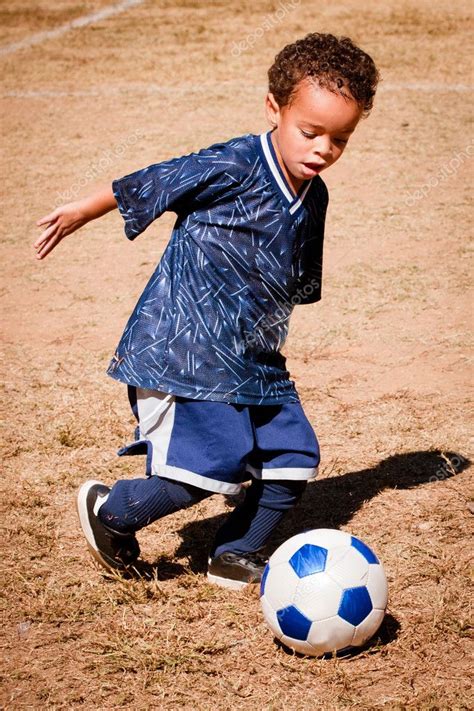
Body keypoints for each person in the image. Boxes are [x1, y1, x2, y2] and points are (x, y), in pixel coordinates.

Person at [33, 33, 380, 590]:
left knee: (293, 459)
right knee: (207, 467)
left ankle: (234, 550)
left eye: (340, 139)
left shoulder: (314, 196)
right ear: (275, 108)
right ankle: (112, 510)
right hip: (185, 349)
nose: (322, 149)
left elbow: (295, 280)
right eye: (310, 132)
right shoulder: (235, 163)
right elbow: (151, 182)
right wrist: (83, 209)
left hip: (255, 360)